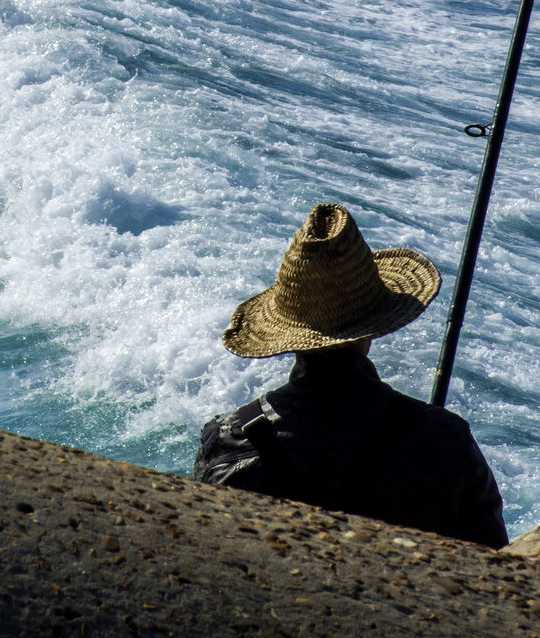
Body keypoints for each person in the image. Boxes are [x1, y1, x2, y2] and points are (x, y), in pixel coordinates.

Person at [192, 203, 508, 549]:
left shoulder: (227, 439)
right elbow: (495, 567)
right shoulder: (447, 439)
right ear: (372, 329)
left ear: (287, 335)